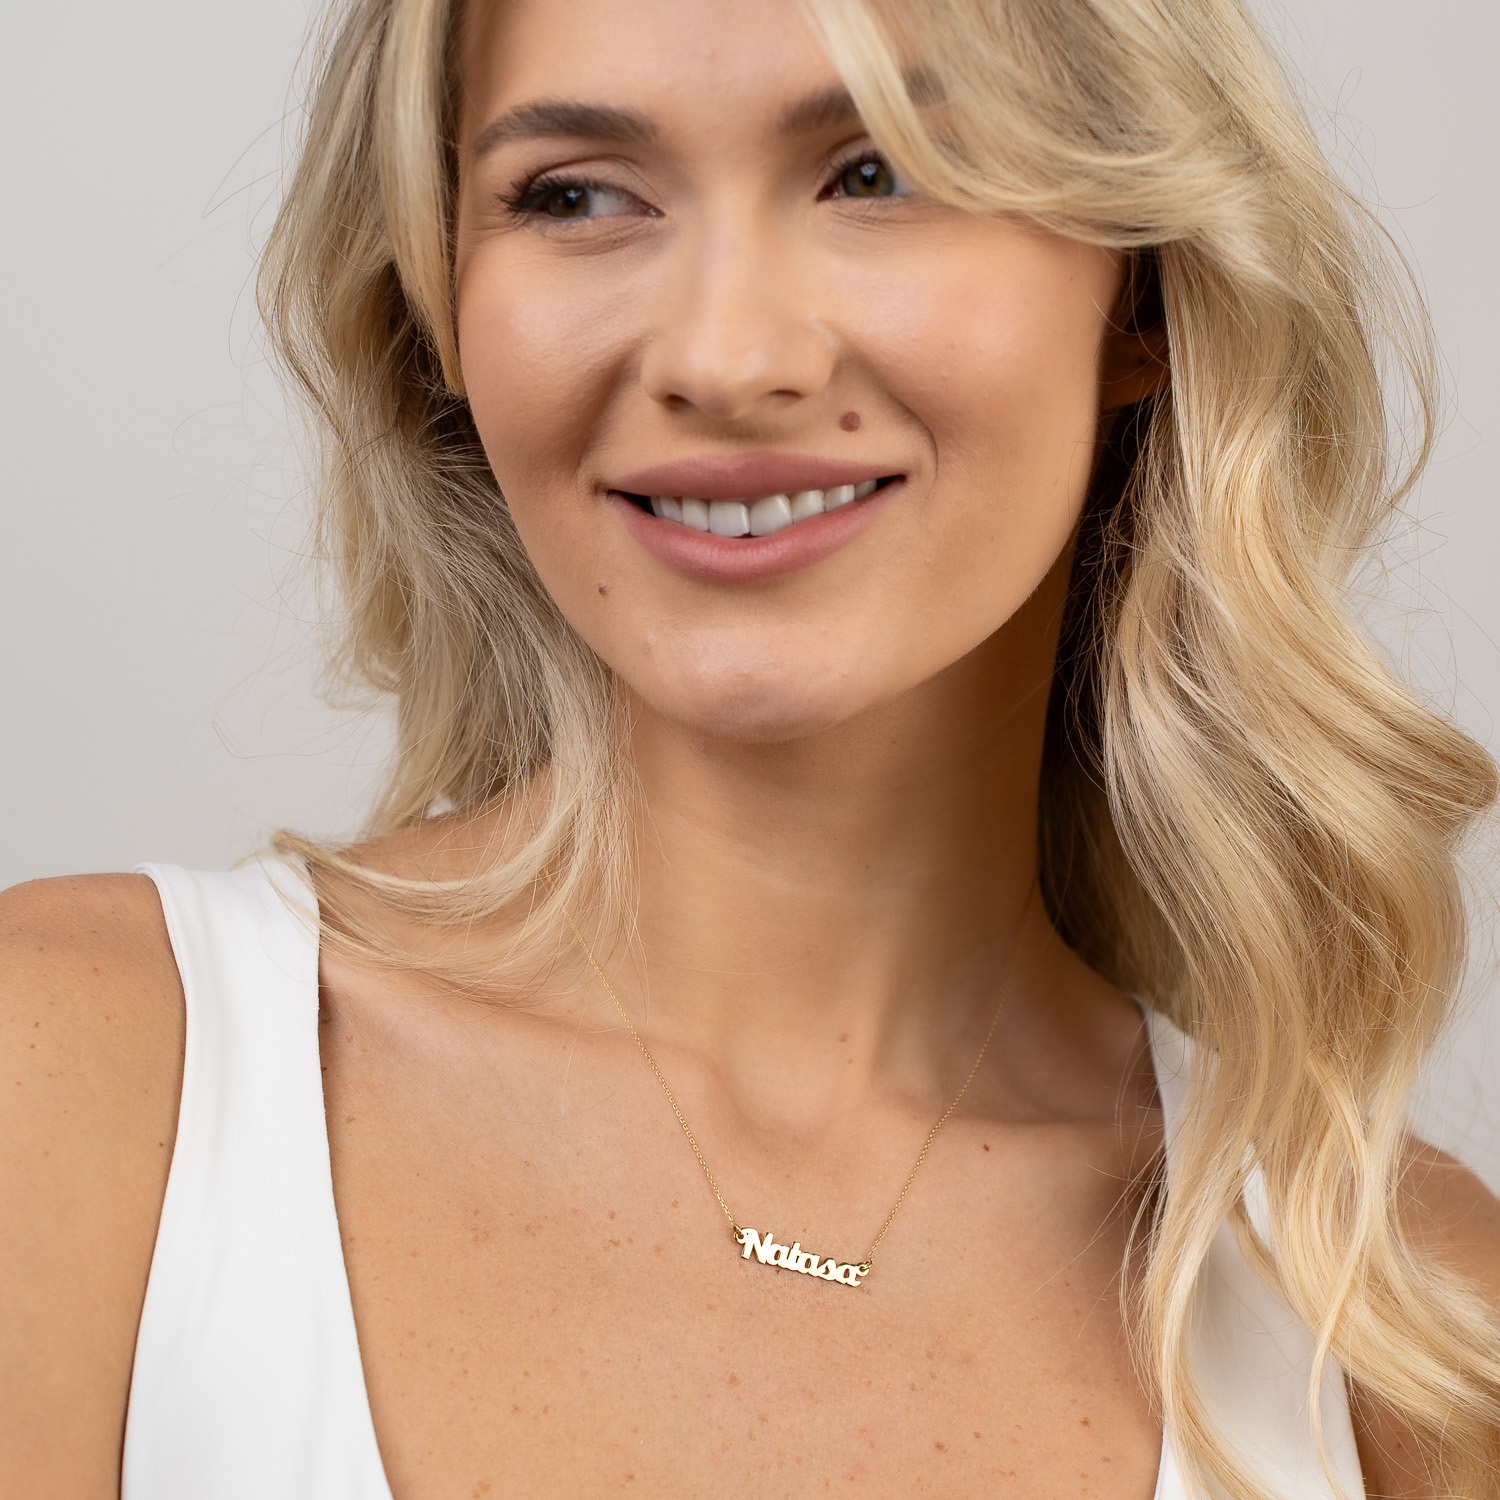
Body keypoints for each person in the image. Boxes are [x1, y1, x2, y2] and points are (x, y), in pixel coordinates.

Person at [4, 0, 1498, 1494]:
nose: (727, 359)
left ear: (1142, 289)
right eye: (575, 196)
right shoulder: (72, 1080)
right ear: (439, 305)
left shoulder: (1409, 1330)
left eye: (882, 171)